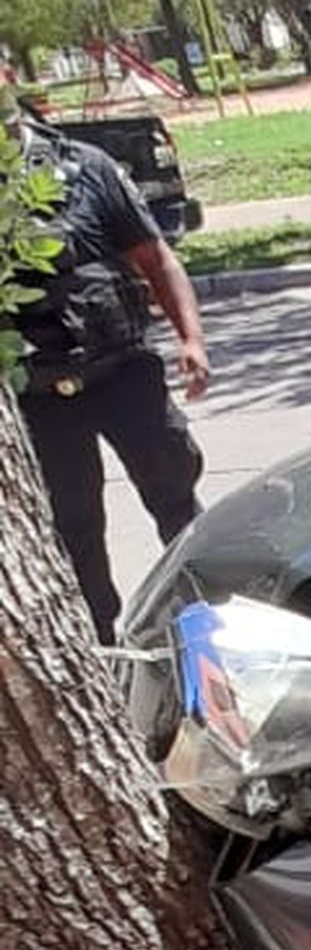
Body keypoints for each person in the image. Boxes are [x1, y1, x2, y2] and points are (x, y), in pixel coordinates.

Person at [4, 89, 210, 642]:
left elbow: (155, 257)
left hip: (123, 372)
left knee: (175, 491)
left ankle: (207, 617)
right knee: (73, 529)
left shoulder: (86, 166)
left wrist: (191, 339)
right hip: (37, 398)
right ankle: (102, 650)